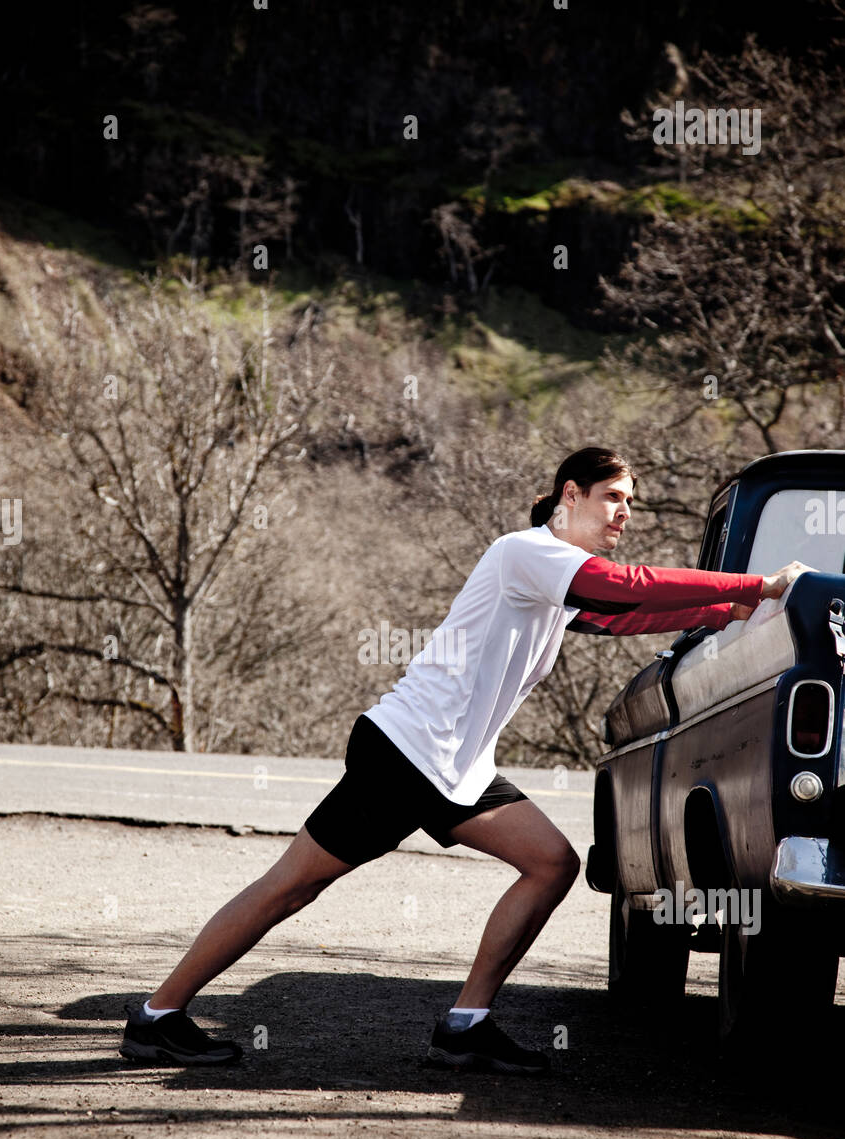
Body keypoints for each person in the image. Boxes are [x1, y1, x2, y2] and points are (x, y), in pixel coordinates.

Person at [119, 447, 808, 1075]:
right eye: (614, 497)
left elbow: (618, 615)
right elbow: (627, 587)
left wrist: (724, 613)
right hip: (407, 753)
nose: (625, 512)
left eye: (631, 502)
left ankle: (466, 1026)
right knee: (290, 887)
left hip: (452, 766)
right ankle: (158, 1017)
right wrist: (754, 588)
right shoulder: (527, 553)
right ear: (570, 494)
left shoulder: (557, 577)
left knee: (551, 864)